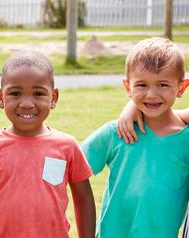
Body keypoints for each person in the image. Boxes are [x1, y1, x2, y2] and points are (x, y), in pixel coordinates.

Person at [0, 50, 96, 238]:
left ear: (54, 98)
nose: (26, 103)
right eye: (15, 93)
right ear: (0, 97)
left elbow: (84, 199)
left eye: (38, 93)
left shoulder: (67, 146)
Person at [81, 37, 189, 238]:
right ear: (128, 87)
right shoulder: (116, 133)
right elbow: (73, 165)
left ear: (181, 88)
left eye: (163, 84)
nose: (151, 94)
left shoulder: (186, 140)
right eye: (141, 85)